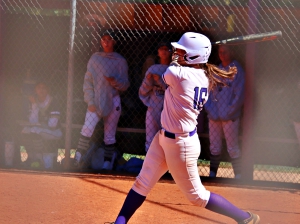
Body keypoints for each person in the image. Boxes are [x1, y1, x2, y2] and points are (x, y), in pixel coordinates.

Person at [112, 32, 259, 224]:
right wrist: (184, 54)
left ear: (193, 56)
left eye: (181, 51)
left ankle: (245, 218)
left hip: (181, 146)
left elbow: (167, 73)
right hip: (164, 138)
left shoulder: (177, 73)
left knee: (197, 197)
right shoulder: (203, 76)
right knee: (142, 183)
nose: (176, 53)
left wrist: (177, 60)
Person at [74, 30, 130, 170]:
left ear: (114, 42)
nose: (106, 42)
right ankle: (76, 159)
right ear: (100, 41)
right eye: (103, 39)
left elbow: (125, 84)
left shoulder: (120, 61)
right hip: (96, 99)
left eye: (109, 39)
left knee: (109, 135)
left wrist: (114, 81)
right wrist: (90, 101)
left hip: (113, 100)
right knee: (87, 128)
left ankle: (106, 165)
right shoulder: (95, 58)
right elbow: (88, 81)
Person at [204, 44, 245, 179]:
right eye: (220, 52)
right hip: (215, 116)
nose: (222, 54)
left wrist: (229, 112)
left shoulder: (237, 69)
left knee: (232, 147)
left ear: (232, 51)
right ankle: (212, 174)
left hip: (230, 116)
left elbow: (239, 96)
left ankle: (238, 175)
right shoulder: (217, 70)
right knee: (214, 146)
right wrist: (211, 111)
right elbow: (208, 93)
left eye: (225, 52)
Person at [139, 42, 172, 153]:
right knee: (150, 139)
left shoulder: (174, 69)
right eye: (161, 48)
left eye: (166, 49)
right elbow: (143, 91)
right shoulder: (153, 68)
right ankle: (149, 166)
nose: (163, 51)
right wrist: (148, 81)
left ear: (171, 52)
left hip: (169, 111)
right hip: (153, 108)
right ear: (157, 52)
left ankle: (167, 167)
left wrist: (160, 81)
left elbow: (174, 91)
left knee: (168, 139)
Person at [20, 82, 62, 167]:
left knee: (35, 130)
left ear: (48, 90)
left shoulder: (53, 101)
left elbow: (52, 125)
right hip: (41, 129)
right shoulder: (34, 101)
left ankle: (38, 158)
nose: (41, 90)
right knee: (25, 130)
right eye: (39, 87)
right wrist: (34, 104)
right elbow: (33, 121)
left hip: (55, 131)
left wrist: (39, 124)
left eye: (44, 88)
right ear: (35, 90)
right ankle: (32, 158)